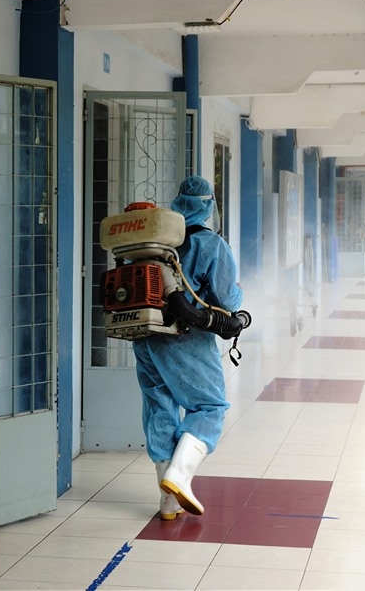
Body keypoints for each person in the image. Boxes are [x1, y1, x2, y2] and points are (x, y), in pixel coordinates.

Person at [132, 175, 244, 520]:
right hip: (184, 339)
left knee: (159, 407)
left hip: (144, 335)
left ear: (179, 201)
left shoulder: (154, 238)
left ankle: (167, 504)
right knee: (210, 405)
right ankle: (179, 477)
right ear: (209, 205)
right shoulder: (210, 244)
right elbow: (226, 298)